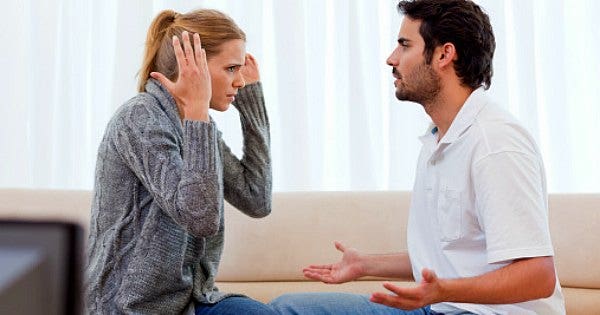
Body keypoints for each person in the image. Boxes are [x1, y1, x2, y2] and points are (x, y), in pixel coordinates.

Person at [270, 0, 565, 314]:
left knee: (289, 311)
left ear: (443, 55)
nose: (391, 59)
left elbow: (538, 276)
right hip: (445, 308)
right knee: (285, 306)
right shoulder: (438, 140)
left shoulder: (495, 143)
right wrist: (365, 265)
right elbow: (450, 253)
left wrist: (442, 292)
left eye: (404, 45)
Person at [86, 9, 277, 315]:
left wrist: (252, 104)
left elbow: (257, 199)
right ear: (194, 68)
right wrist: (198, 112)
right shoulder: (140, 118)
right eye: (230, 68)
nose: (240, 81)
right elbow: (200, 218)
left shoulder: (197, 127)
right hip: (126, 308)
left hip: (190, 302)